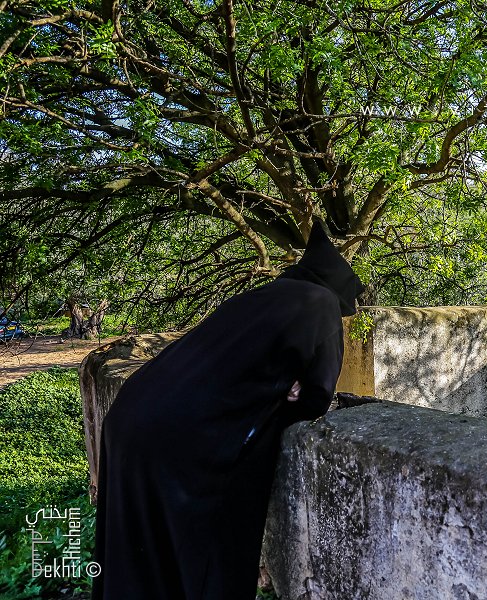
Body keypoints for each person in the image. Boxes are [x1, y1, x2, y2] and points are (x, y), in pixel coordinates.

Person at [91, 221, 365, 600]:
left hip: (132, 413)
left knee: (136, 554)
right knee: (206, 554)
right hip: (184, 438)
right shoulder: (322, 306)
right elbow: (318, 396)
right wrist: (286, 398)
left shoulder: (259, 296)